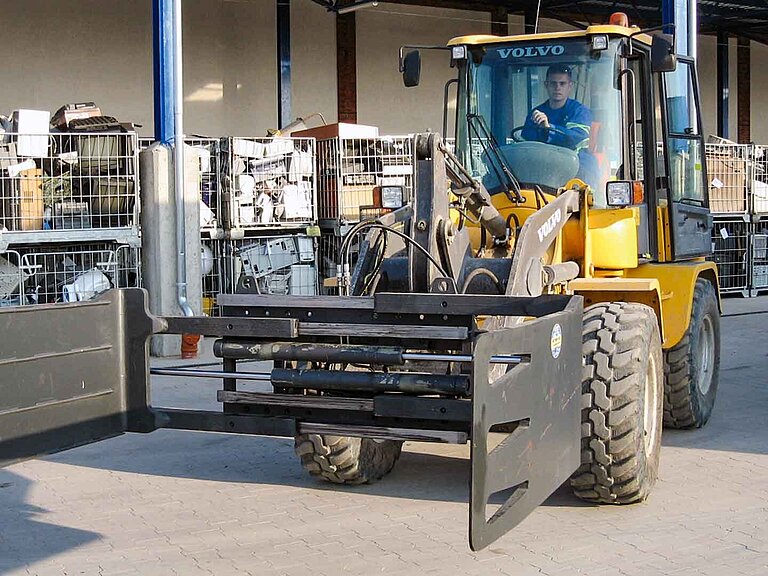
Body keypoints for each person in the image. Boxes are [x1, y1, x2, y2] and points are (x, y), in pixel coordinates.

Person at [521, 64, 597, 187]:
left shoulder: (579, 111)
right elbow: (527, 145)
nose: (557, 88)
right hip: (544, 170)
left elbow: (576, 137)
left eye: (562, 83)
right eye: (553, 83)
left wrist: (548, 128)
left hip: (578, 169)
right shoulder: (535, 114)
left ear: (570, 86)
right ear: (546, 85)